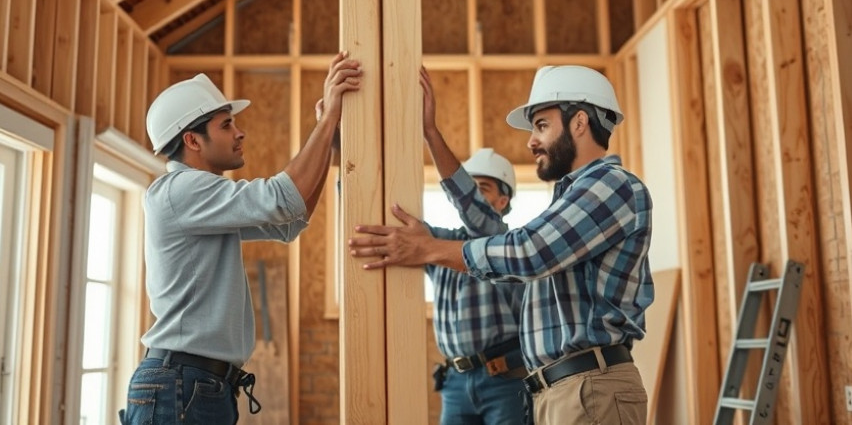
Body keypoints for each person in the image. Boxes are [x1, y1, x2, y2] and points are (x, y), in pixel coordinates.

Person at [349, 65, 653, 425]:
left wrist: (428, 248)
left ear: (580, 122)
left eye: (541, 125)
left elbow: (529, 252)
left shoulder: (611, 184)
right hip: (561, 387)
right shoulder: (569, 201)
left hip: (588, 388)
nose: (531, 141)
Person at [119, 52, 362, 425]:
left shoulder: (201, 196)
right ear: (193, 140)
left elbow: (289, 221)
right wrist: (328, 117)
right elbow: (283, 198)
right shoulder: (179, 191)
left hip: (195, 384)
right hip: (182, 384)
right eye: (226, 125)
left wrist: (329, 145)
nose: (239, 133)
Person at [419, 67, 530, 425]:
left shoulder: (507, 243)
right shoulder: (442, 243)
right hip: (454, 383)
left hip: (506, 381)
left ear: (503, 203)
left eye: (483, 188)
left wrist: (431, 133)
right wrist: (344, 155)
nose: (473, 194)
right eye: (472, 185)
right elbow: (386, 227)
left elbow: (474, 212)